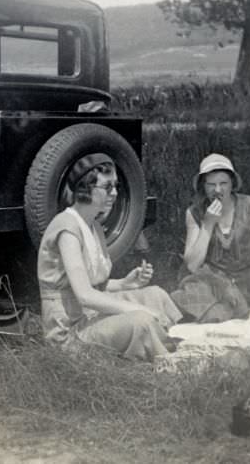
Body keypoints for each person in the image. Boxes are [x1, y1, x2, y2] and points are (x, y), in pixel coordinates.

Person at [37, 153, 182, 361]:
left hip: (92, 315)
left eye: (116, 186)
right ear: (85, 188)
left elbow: (92, 285)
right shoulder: (67, 228)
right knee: (141, 319)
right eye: (107, 187)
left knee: (155, 295)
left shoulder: (93, 225)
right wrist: (139, 308)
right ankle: (165, 356)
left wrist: (125, 283)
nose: (114, 193)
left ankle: (163, 343)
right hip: (71, 332)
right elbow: (85, 295)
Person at [172, 153, 250, 321]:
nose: (218, 190)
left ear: (232, 183)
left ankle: (232, 311)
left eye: (223, 183)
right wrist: (207, 225)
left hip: (246, 284)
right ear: (203, 186)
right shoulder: (194, 212)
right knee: (204, 305)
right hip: (211, 285)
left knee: (229, 313)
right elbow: (192, 265)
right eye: (211, 185)